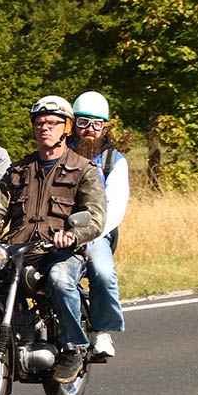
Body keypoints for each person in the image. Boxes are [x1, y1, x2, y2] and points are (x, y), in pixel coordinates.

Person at [0, 96, 107, 383]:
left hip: (60, 251)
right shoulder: (19, 171)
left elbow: (95, 217)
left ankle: (74, 348)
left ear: (67, 128)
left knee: (61, 279)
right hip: (17, 249)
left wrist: (72, 234)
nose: (44, 128)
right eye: (39, 123)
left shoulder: (84, 170)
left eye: (52, 123)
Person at [70, 90, 127, 359]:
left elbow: (115, 208)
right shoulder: (60, 152)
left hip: (95, 232)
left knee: (103, 272)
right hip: (56, 230)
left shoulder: (113, 161)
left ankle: (103, 331)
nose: (89, 130)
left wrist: (89, 235)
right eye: (83, 123)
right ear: (73, 124)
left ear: (104, 127)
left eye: (96, 124)